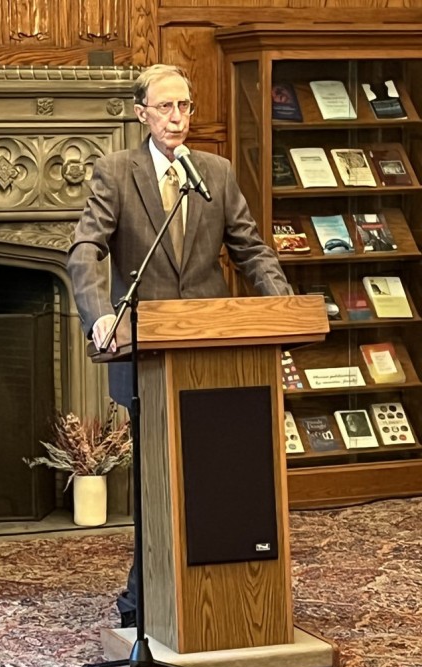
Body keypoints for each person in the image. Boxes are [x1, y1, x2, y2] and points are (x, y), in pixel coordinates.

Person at [67, 63, 292, 628]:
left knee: (217, 477)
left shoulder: (215, 172)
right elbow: (86, 251)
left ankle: (222, 598)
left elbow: (250, 249)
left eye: (185, 106)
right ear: (141, 112)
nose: (177, 117)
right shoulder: (116, 172)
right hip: (146, 355)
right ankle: (144, 602)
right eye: (165, 106)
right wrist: (100, 316)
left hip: (216, 352)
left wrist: (282, 306)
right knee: (158, 483)